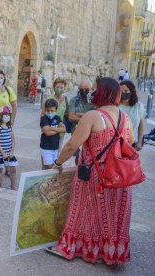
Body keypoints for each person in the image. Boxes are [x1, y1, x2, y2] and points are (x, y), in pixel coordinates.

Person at [51, 77, 134, 265]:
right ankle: (108, 252)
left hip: (95, 175)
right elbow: (129, 144)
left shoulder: (93, 116)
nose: (91, 92)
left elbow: (72, 144)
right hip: (118, 176)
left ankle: (81, 247)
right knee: (111, 214)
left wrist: (58, 163)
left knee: (86, 211)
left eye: (94, 89)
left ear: (102, 92)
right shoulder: (125, 118)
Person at [0, 106, 18, 190]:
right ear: (0, 116)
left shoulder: (10, 127)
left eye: (8, 115)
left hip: (9, 152)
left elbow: (13, 140)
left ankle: (12, 186)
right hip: (0, 153)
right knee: (0, 169)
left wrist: (12, 151)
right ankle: (1, 186)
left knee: (13, 169)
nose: (7, 116)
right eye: (4, 115)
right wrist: (2, 153)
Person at [68, 80, 95, 163]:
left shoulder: (95, 101)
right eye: (81, 90)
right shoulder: (74, 100)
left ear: (91, 89)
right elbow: (71, 117)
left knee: (90, 157)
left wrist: (79, 114)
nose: (84, 92)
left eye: (87, 90)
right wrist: (88, 117)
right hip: (77, 134)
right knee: (77, 157)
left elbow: (96, 117)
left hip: (91, 135)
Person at [42, 78, 69, 152]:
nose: (59, 89)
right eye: (57, 87)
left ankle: (55, 163)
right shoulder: (49, 99)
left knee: (58, 151)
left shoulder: (67, 100)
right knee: (46, 150)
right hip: (49, 130)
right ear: (54, 87)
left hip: (60, 132)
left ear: (64, 88)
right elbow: (43, 114)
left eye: (61, 87)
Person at [119, 80, 146, 150]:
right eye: (121, 91)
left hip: (132, 144)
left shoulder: (138, 105)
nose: (123, 93)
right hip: (117, 144)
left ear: (131, 92)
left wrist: (139, 142)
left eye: (126, 90)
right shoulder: (115, 106)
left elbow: (141, 125)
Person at [40, 99, 66, 169]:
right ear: (45, 110)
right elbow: (47, 133)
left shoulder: (57, 118)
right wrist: (58, 129)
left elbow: (64, 129)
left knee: (56, 167)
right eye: (48, 111)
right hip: (46, 148)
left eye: (52, 111)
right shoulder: (43, 119)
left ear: (56, 110)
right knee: (49, 167)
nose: (50, 113)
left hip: (55, 148)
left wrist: (51, 128)